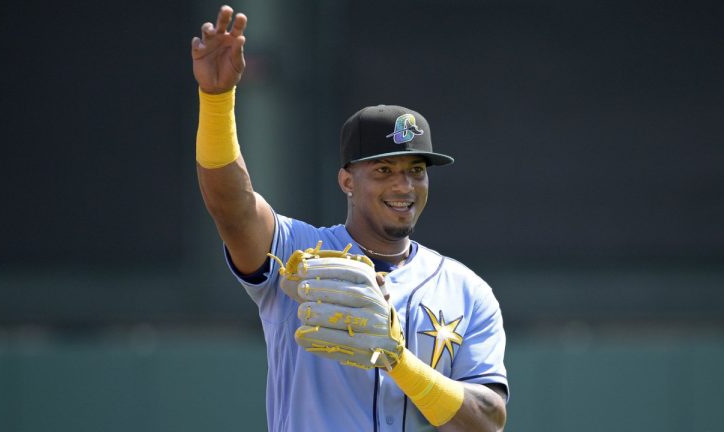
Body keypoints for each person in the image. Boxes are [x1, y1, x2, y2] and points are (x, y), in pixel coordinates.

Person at [191, 5, 508, 431]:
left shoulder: (467, 291)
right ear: (347, 181)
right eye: (384, 170)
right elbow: (232, 207)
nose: (404, 186)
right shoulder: (297, 252)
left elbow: (488, 421)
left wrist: (399, 361)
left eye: (416, 171)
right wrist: (216, 102)